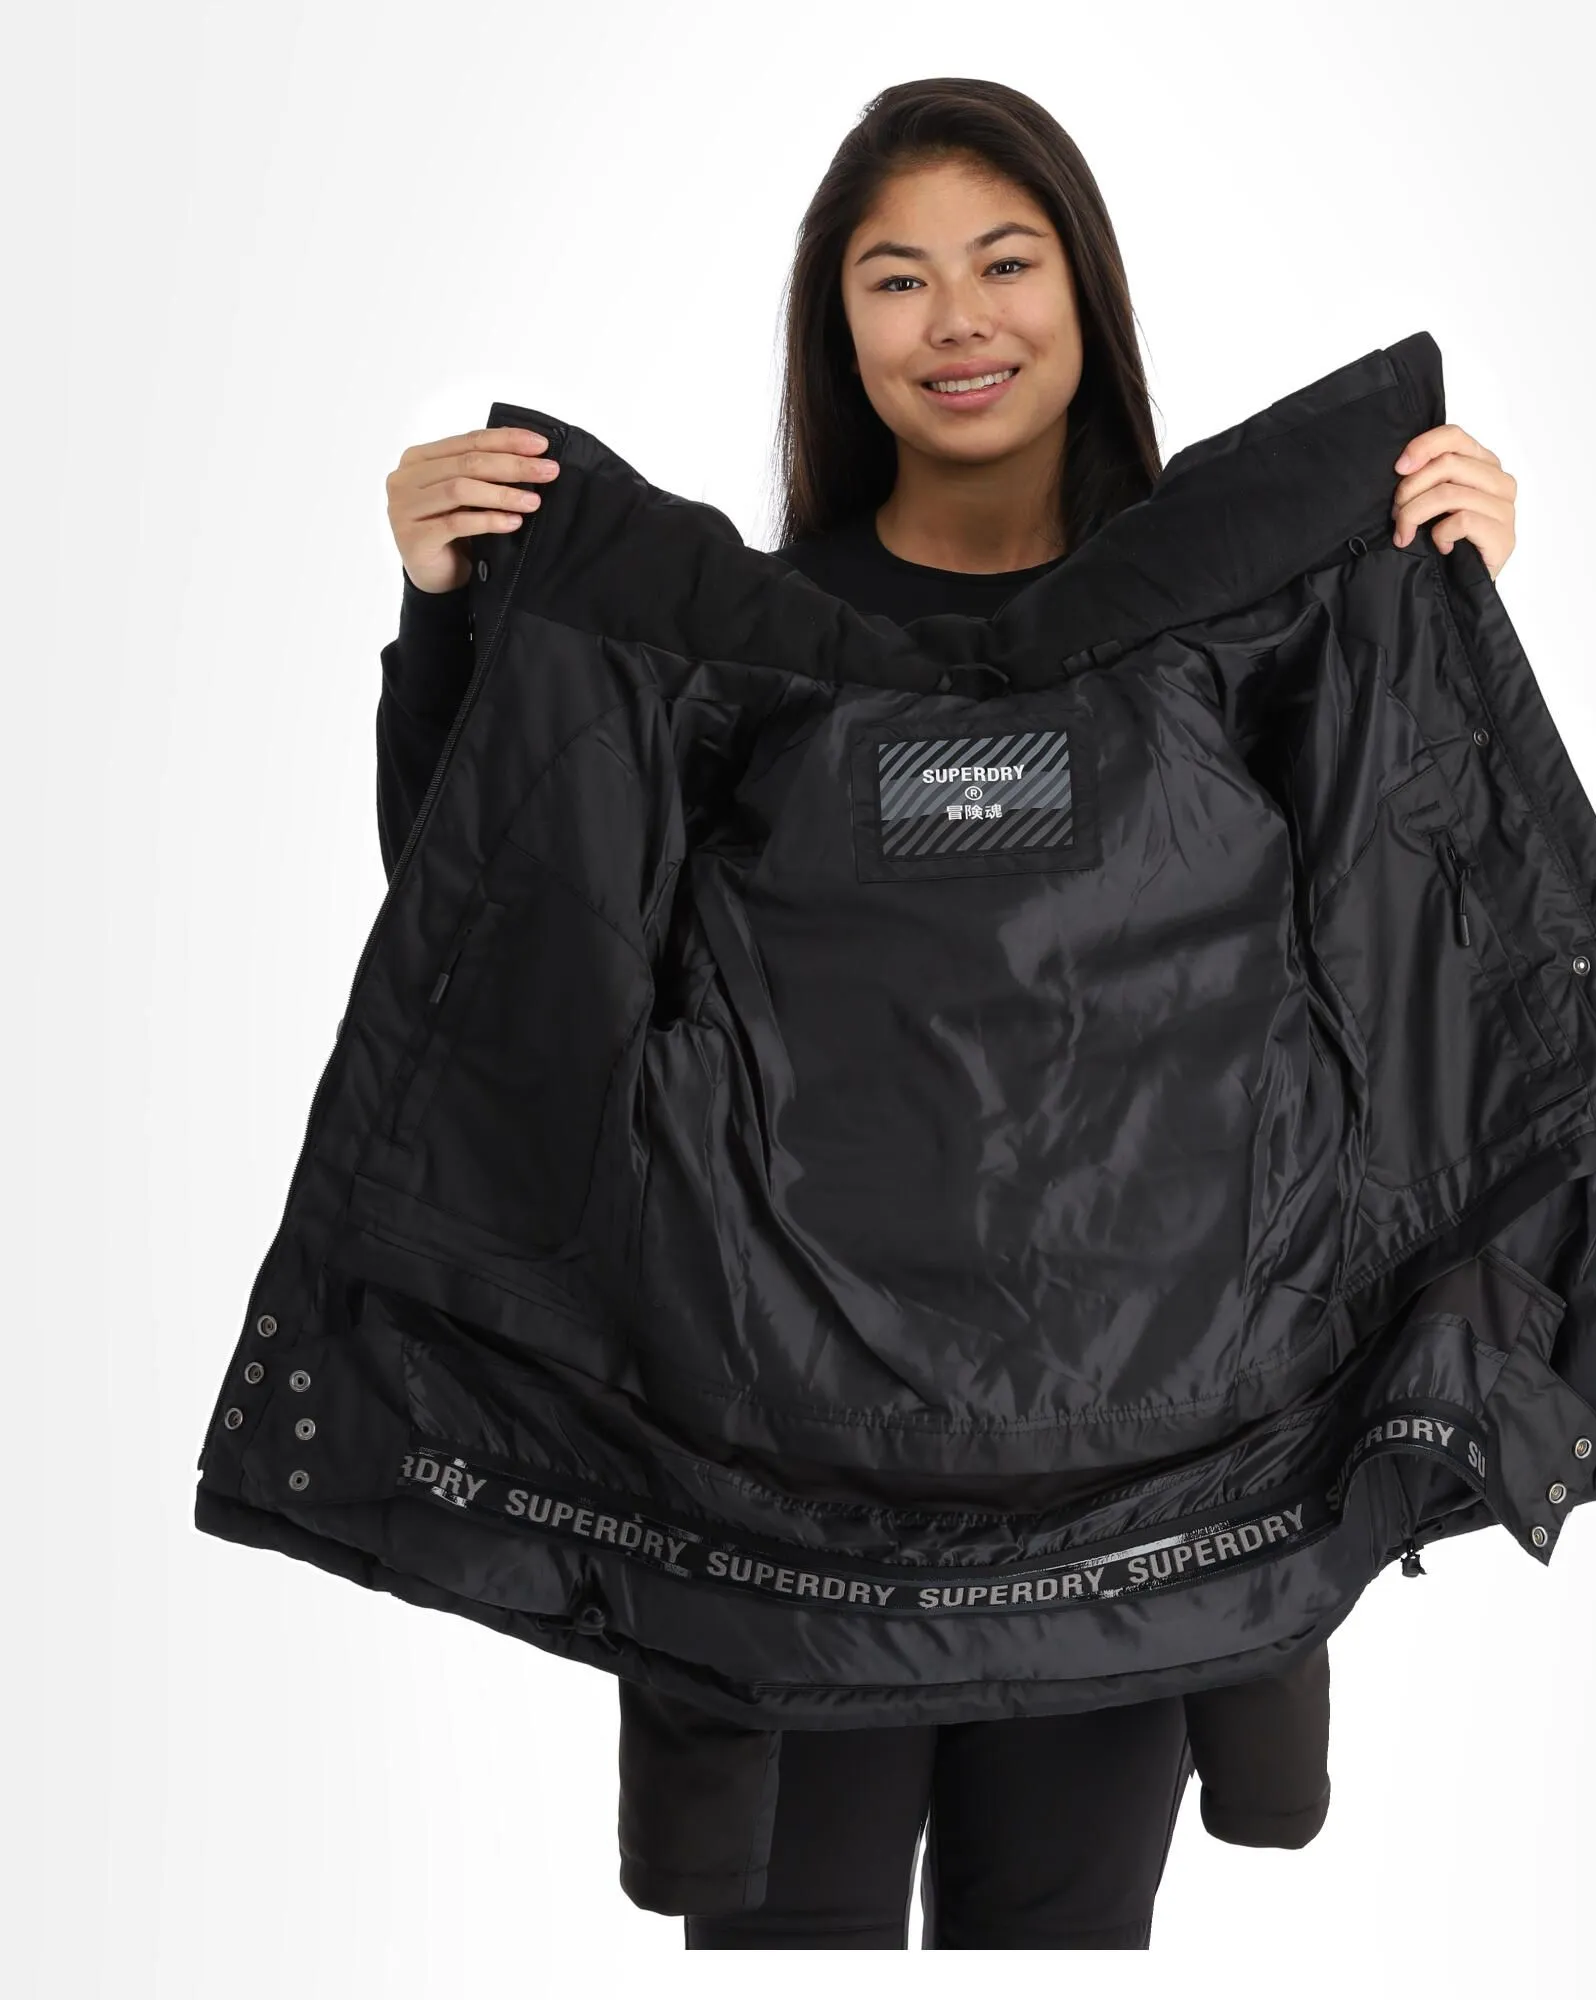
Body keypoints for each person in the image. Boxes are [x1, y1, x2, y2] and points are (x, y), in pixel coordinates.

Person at [374, 76, 1520, 1952]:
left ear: (1086, 291)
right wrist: (448, 618)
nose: (957, 320)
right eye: (896, 280)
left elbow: (1407, 926)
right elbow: (510, 942)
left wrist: (1434, 616)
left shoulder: (1249, 625)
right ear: (839, 331)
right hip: (775, 1484)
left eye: (1004, 262)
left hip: (1138, 1473)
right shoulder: (719, 634)